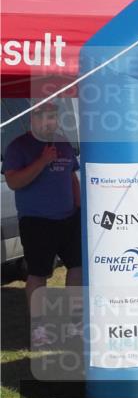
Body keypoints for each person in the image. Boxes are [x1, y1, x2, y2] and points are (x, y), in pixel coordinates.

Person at [1, 102, 82, 333]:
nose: (49, 122)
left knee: (77, 268)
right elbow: (14, 182)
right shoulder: (19, 147)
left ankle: (74, 322)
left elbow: (72, 178)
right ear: (32, 120)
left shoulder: (63, 143)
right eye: (43, 117)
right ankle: (40, 327)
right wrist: (42, 161)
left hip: (68, 218)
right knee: (38, 274)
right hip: (37, 222)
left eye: (53, 117)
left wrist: (78, 207)